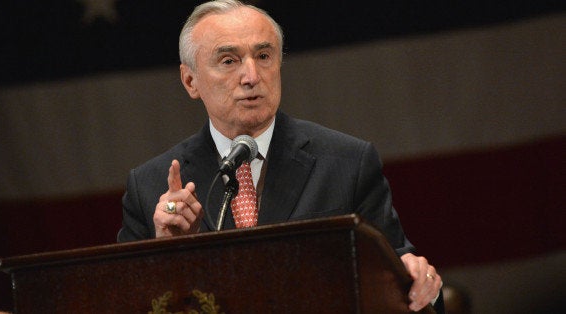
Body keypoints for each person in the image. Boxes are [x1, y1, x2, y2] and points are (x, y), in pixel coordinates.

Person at [118, 0, 443, 312]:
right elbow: (122, 304)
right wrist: (163, 253)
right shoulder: (149, 187)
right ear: (190, 80)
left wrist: (420, 284)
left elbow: (406, 281)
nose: (251, 76)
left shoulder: (348, 163)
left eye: (263, 56)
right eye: (229, 60)